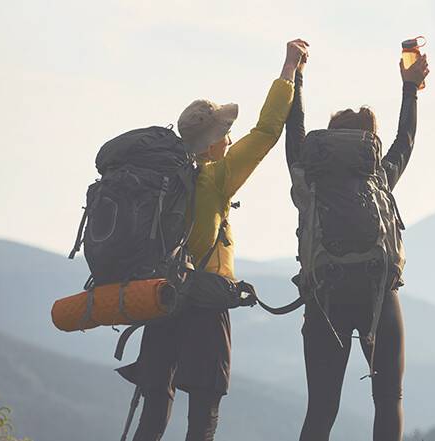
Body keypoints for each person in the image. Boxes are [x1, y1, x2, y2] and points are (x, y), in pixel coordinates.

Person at [116, 38, 309, 441]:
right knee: (203, 414)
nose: (230, 138)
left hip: (160, 295)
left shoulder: (163, 182)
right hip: (205, 298)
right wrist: (289, 69)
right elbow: (268, 130)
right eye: (226, 132)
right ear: (212, 139)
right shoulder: (215, 178)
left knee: (155, 407)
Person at [285, 50, 429, 441]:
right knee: (387, 399)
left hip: (324, 296)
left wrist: (296, 78)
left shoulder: (306, 177)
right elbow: (406, 139)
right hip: (377, 294)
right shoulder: (379, 176)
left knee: (321, 409)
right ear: (369, 143)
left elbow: (294, 131)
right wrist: (410, 87)